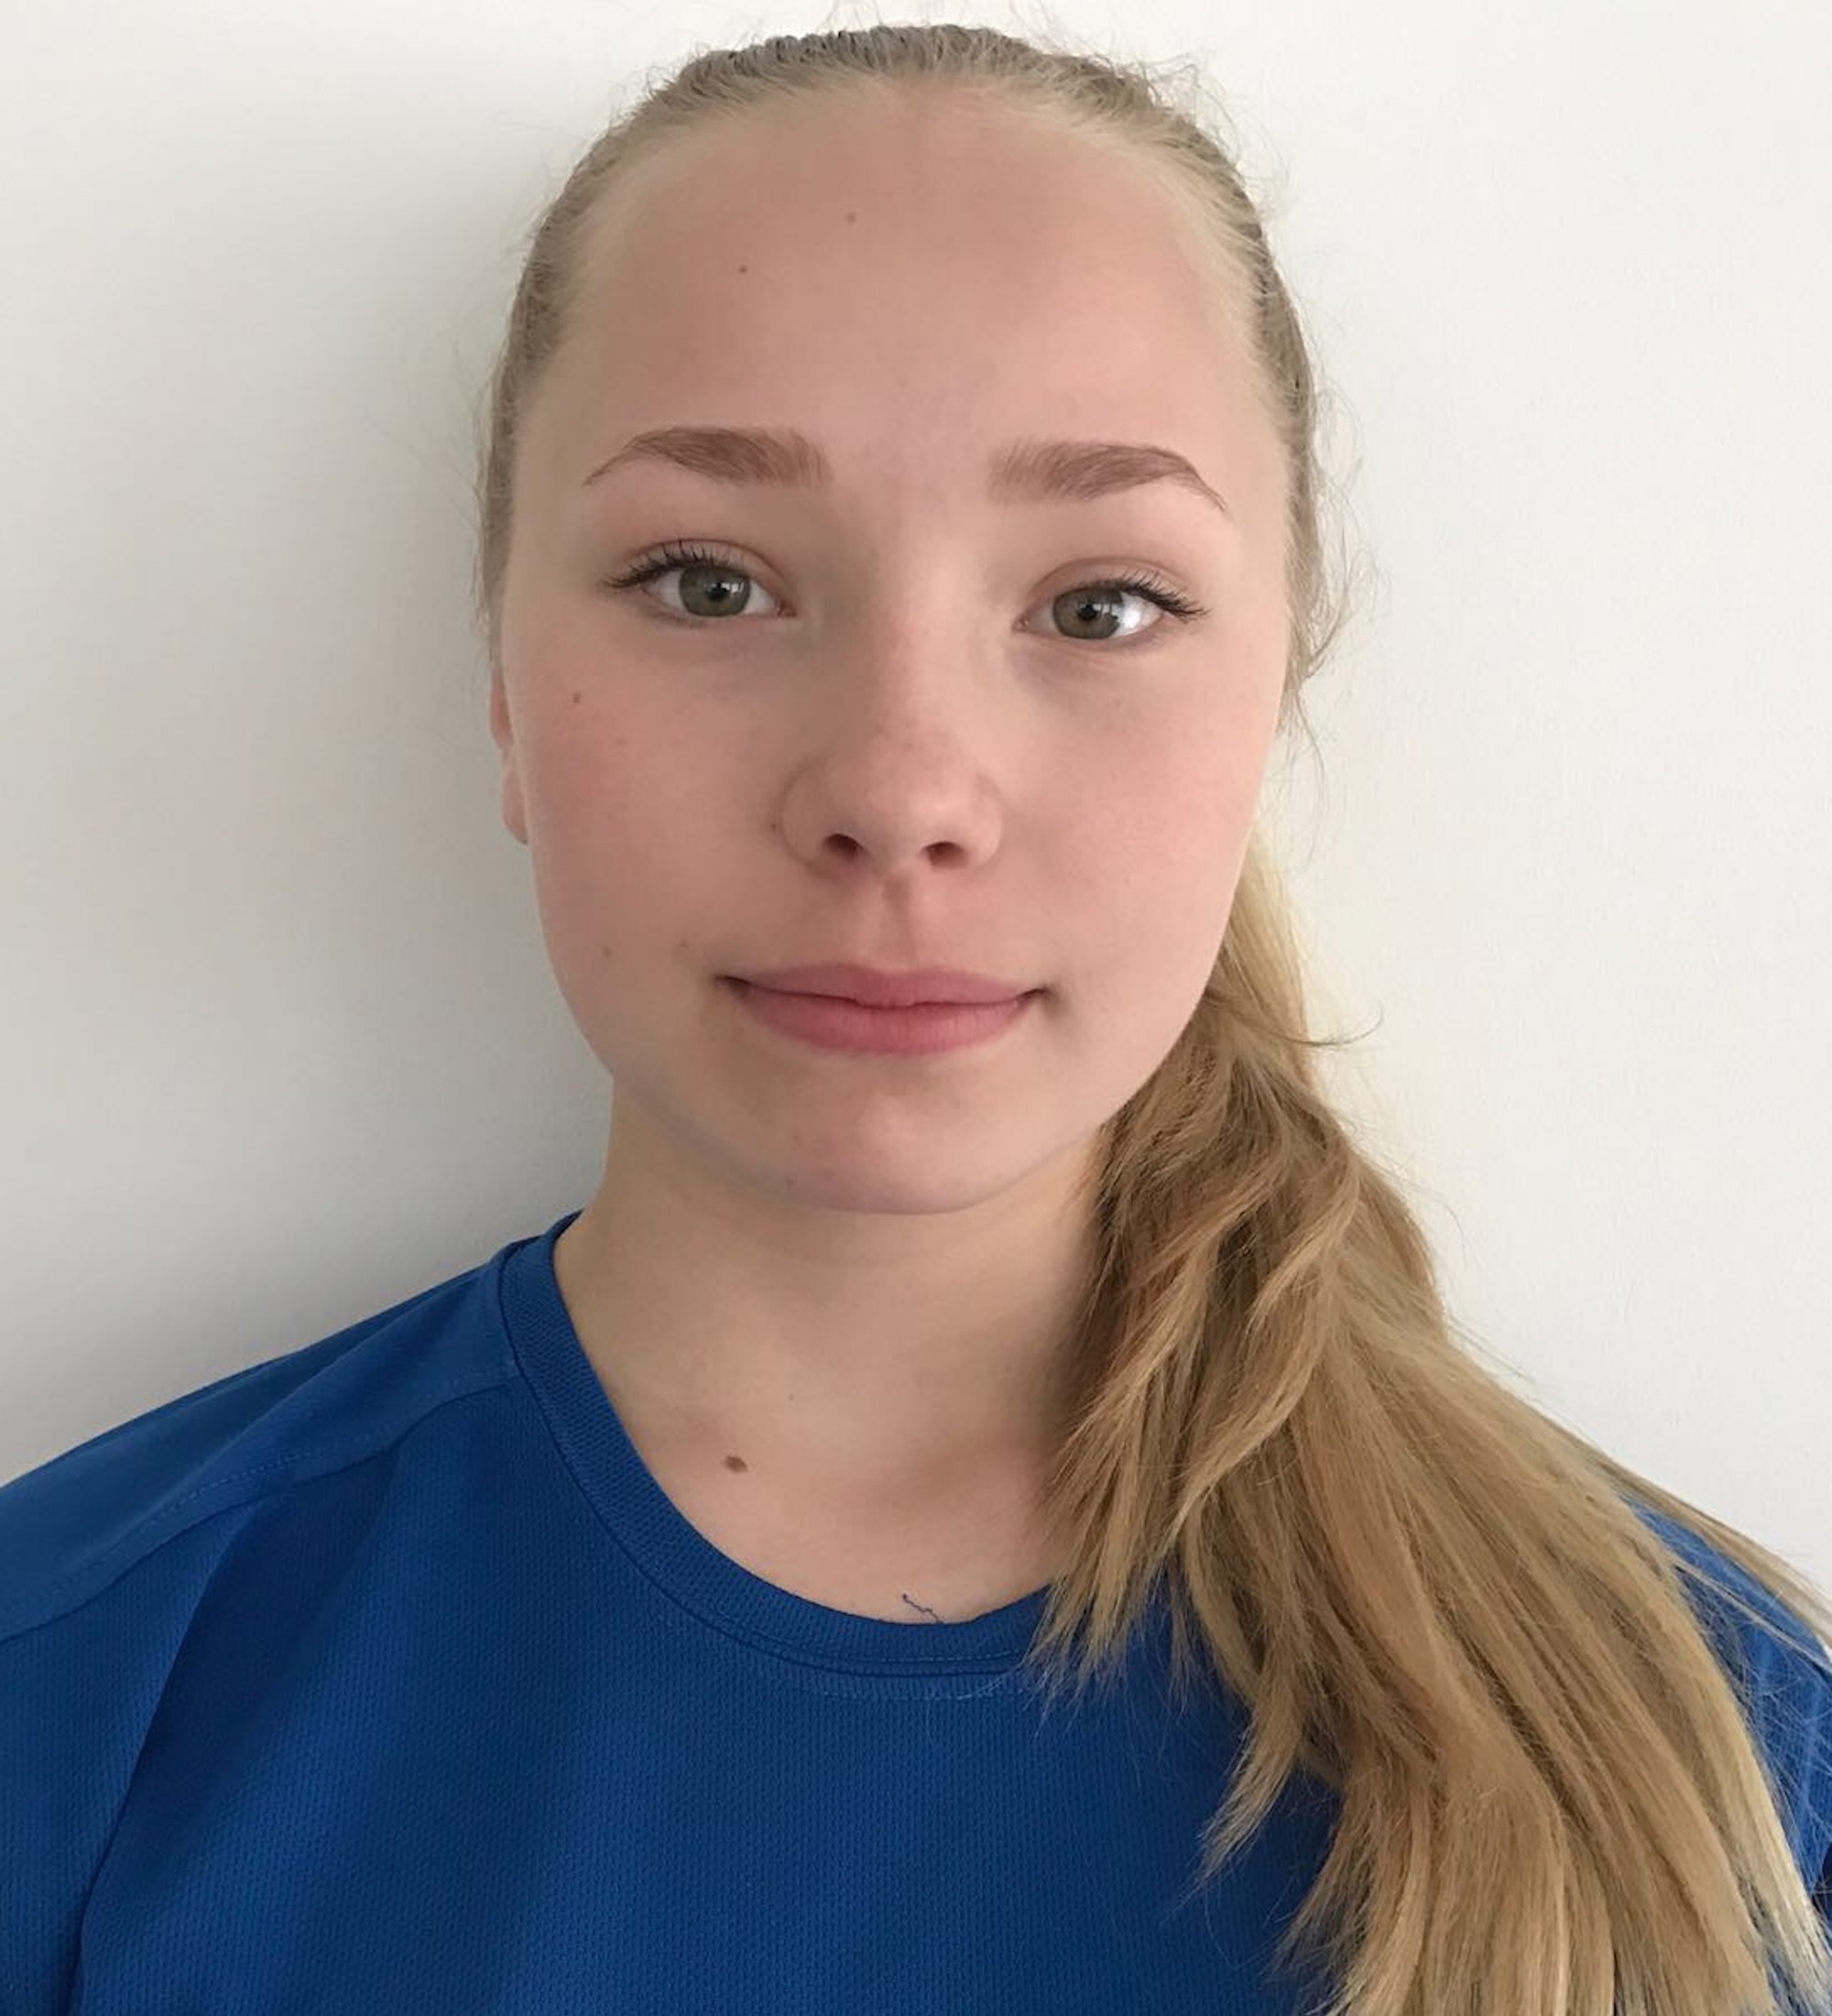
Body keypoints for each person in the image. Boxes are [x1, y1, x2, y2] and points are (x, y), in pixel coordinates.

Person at [3, 22, 1827, 2016]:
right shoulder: (74, 1694)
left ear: (1272, 698)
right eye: (708, 583)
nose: (900, 788)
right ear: (505, 683)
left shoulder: (1721, 1774)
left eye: (1099, 604)